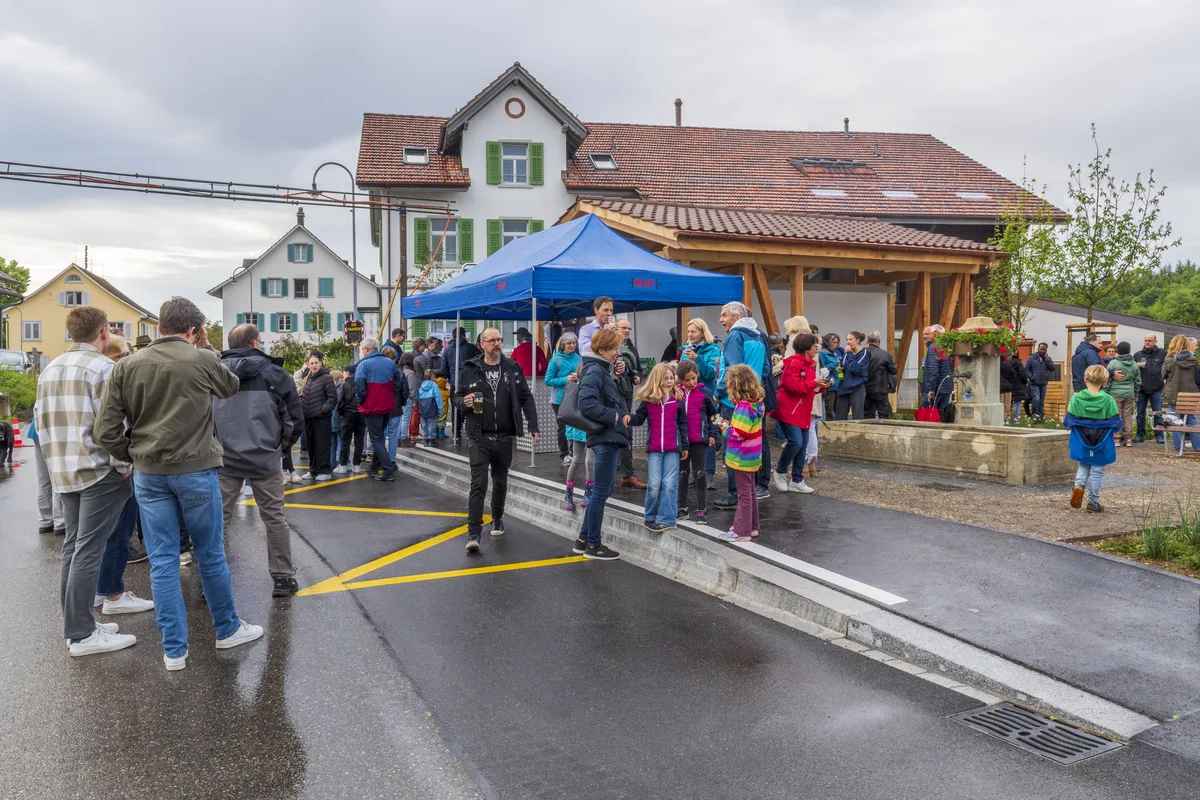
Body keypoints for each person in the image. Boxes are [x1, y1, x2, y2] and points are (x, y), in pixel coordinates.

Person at [95, 296, 260, 671]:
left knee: (164, 561)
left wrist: (133, 452)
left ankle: (174, 650)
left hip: (149, 474)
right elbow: (231, 387)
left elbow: (105, 431)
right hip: (196, 469)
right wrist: (202, 347)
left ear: (157, 328)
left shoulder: (127, 366)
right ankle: (226, 629)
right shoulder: (202, 358)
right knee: (210, 554)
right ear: (195, 331)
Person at [35, 309, 141, 658]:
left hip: (64, 470)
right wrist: (124, 465)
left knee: (74, 547)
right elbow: (111, 426)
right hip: (97, 471)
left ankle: (78, 624)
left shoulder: (49, 369)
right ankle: (81, 633)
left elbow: (41, 422)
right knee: (88, 550)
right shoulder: (103, 368)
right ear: (104, 332)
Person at [213, 323, 304, 597]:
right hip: (264, 458)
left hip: (223, 459)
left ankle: (212, 581)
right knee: (274, 518)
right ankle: (282, 577)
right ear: (254, 343)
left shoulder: (213, 374)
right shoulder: (274, 374)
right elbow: (294, 419)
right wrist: (281, 447)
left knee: (218, 521)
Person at [453, 327, 539, 552]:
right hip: (478, 435)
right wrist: (465, 402)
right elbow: (457, 396)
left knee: (500, 482)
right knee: (478, 484)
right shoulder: (470, 368)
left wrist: (533, 425)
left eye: (499, 339)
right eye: (491, 340)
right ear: (481, 344)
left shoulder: (512, 367)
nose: (496, 343)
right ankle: (473, 533)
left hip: (505, 436)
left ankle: (497, 517)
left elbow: (526, 398)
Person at [92, 333, 153, 616]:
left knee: (91, 537)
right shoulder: (111, 374)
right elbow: (115, 426)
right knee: (119, 532)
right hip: (114, 467)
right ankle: (113, 594)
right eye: (127, 353)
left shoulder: (65, 368)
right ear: (117, 356)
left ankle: (98, 590)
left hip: (83, 467)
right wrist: (127, 459)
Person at [571, 327, 627, 561]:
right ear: (602, 350)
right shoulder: (595, 370)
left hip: (607, 437)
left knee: (600, 492)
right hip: (606, 436)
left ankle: (583, 540)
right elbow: (587, 404)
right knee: (601, 493)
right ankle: (594, 545)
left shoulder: (598, 368)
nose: (617, 352)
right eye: (614, 348)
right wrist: (613, 416)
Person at [714, 301, 773, 506]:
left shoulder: (735, 335)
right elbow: (766, 368)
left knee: (732, 444)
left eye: (724, 315)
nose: (721, 319)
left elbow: (732, 369)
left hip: (733, 400)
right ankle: (759, 487)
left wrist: (718, 392)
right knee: (758, 442)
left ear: (737, 318)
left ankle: (735, 495)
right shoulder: (758, 334)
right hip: (755, 398)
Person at [623, 363, 688, 532]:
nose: (669, 381)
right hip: (654, 449)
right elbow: (639, 418)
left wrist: (685, 445)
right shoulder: (649, 401)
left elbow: (682, 425)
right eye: (665, 378)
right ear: (657, 380)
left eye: (671, 378)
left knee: (670, 484)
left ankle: (667, 519)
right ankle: (650, 517)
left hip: (673, 448)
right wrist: (628, 417)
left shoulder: (677, 401)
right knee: (654, 484)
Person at [772, 333, 828, 494]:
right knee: (796, 442)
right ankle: (781, 472)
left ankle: (797, 479)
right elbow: (790, 385)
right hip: (789, 408)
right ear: (806, 347)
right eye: (814, 345)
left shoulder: (809, 364)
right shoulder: (795, 363)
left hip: (801, 408)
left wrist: (822, 385)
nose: (816, 348)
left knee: (802, 444)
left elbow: (807, 387)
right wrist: (814, 383)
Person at [1065, 365, 1122, 514]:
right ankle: (1093, 502)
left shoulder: (1076, 398)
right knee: (1097, 469)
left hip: (1081, 438)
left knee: (1083, 464)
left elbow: (1069, 420)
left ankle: (1079, 486)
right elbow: (1116, 423)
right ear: (1104, 382)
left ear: (1085, 379)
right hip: (1101, 439)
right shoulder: (1108, 400)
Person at [718, 364, 765, 542]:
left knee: (743, 494)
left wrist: (725, 428)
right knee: (750, 491)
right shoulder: (756, 403)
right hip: (752, 456)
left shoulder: (744, 407)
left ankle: (741, 530)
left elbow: (739, 433)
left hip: (741, 457)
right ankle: (752, 526)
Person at [676, 360, 719, 525]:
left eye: (694, 378)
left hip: (699, 440)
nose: (691, 382)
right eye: (687, 380)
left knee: (699, 474)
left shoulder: (704, 393)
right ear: (680, 380)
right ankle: (682, 507)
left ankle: (702, 509)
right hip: (681, 441)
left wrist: (712, 434)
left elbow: (713, 415)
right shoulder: (677, 393)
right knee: (683, 474)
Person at [355, 337, 404, 482]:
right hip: (387, 405)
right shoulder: (390, 363)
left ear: (366, 349)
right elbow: (398, 382)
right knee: (380, 436)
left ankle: (388, 469)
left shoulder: (364, 364)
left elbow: (359, 384)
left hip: (372, 405)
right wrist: (390, 395)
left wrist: (361, 399)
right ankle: (375, 466)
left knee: (376, 438)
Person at [614, 318, 647, 490]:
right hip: (613, 393)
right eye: (623, 328)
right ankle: (624, 471)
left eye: (628, 328)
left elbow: (637, 371)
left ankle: (626, 470)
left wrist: (637, 378)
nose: (626, 331)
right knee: (620, 429)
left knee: (627, 430)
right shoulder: (611, 346)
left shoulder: (631, 348)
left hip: (627, 393)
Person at [544, 332, 582, 464]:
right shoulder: (556, 360)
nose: (572, 346)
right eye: (569, 343)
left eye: (574, 343)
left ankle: (574, 452)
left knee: (575, 426)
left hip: (575, 397)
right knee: (562, 427)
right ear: (563, 345)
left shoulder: (579, 358)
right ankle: (564, 454)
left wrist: (579, 377)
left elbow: (583, 374)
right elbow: (548, 380)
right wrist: (566, 379)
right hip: (559, 399)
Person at [299, 351, 336, 481]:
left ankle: (324, 471)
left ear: (320, 364)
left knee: (322, 445)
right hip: (309, 419)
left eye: (316, 363)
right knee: (311, 445)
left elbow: (332, 398)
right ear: (308, 365)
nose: (314, 365)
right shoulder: (309, 378)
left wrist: (323, 410)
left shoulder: (326, 378)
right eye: (311, 363)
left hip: (321, 419)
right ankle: (313, 470)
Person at [25, 412, 64, 534]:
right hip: (54, 429)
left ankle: (45, 521)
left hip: (37, 429)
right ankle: (60, 521)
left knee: (43, 479)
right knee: (57, 477)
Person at [1162, 334, 1200, 454]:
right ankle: (1197, 446)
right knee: (1192, 419)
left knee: (1175, 419)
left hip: (1174, 393)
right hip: (1189, 393)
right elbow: (1195, 376)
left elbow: (1163, 375)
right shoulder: (1193, 360)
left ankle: (1180, 447)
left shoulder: (1169, 360)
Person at [561, 364, 591, 513]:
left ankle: (588, 492)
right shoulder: (574, 390)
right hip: (579, 430)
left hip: (591, 430)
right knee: (577, 460)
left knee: (589, 462)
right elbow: (569, 411)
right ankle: (568, 493)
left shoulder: (594, 388)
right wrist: (570, 433)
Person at [443, 326, 482, 441]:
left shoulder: (447, 350)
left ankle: (456, 433)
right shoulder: (471, 347)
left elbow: (444, 369)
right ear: (463, 335)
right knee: (476, 405)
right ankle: (477, 432)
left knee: (456, 407)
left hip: (455, 383)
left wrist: (450, 378)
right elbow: (482, 360)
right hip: (472, 382)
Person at [1101, 341, 1140, 447]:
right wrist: (1136, 393)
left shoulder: (1113, 363)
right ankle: (1128, 439)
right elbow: (1137, 381)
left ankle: (1116, 439)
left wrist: (1106, 392)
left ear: (1118, 351)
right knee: (1128, 417)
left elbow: (1108, 379)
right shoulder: (1134, 364)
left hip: (1115, 393)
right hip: (1129, 394)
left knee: (1116, 416)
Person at [1134, 334, 1166, 444]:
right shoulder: (1138, 355)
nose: (1147, 342)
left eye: (1150, 341)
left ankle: (1159, 435)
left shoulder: (1162, 353)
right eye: (1145, 340)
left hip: (1156, 388)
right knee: (1140, 413)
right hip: (1141, 389)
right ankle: (1140, 434)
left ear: (1155, 341)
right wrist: (1136, 366)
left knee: (1158, 413)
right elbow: (1132, 371)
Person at [334, 362, 366, 473]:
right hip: (361, 414)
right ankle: (356, 465)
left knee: (345, 440)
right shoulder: (362, 383)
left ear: (347, 373)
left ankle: (343, 464)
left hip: (348, 415)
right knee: (359, 440)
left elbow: (340, 402)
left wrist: (341, 413)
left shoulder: (344, 385)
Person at [921, 325, 954, 418]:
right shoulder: (948, 347)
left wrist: (931, 389)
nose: (926, 336)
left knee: (926, 416)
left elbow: (933, 369)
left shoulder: (933, 347)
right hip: (947, 388)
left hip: (936, 389)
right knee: (942, 416)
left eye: (929, 333)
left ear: (934, 334)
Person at [835, 331, 869, 421]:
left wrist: (850, 354)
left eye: (850, 339)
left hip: (857, 387)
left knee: (857, 416)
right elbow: (842, 368)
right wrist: (839, 372)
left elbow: (857, 369)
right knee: (840, 416)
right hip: (844, 387)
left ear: (857, 340)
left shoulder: (864, 353)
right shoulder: (845, 354)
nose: (848, 342)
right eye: (847, 340)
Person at [863, 331, 897, 419]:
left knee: (866, 415)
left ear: (868, 341)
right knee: (884, 415)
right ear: (879, 341)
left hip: (865, 388)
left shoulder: (862, 353)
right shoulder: (885, 354)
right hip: (880, 388)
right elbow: (893, 371)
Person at [397, 352, 421, 448]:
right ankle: (404, 439)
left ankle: (398, 438)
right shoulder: (410, 373)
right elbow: (413, 388)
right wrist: (414, 401)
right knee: (405, 419)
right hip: (407, 398)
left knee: (400, 419)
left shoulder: (399, 371)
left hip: (399, 398)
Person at [1024, 343, 1055, 419]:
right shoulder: (1032, 358)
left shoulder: (1048, 358)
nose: (1042, 351)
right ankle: (1035, 415)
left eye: (1044, 349)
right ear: (1038, 348)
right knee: (1036, 399)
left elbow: (1052, 368)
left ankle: (1040, 417)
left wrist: (1047, 360)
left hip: (1043, 382)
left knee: (1041, 401)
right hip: (1034, 382)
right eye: (1041, 349)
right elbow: (1026, 369)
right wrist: (1031, 377)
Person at [417, 369, 443, 447]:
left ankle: (425, 440)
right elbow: (438, 398)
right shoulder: (434, 385)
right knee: (432, 424)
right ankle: (431, 440)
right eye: (435, 377)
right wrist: (440, 409)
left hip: (423, 408)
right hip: (431, 407)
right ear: (432, 377)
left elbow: (418, 397)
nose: (435, 379)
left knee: (424, 424)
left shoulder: (421, 385)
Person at [819, 334, 842, 419]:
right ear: (828, 343)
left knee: (837, 410)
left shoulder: (835, 353)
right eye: (834, 343)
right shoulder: (822, 354)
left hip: (838, 386)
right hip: (830, 387)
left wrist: (841, 378)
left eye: (837, 343)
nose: (836, 345)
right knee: (829, 410)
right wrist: (833, 364)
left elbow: (839, 368)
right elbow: (822, 369)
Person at [329, 369, 344, 467]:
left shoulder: (329, 388)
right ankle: (340, 461)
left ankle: (332, 462)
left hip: (330, 419)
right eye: (342, 377)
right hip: (338, 418)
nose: (343, 379)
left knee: (332, 442)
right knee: (340, 440)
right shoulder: (341, 387)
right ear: (339, 378)